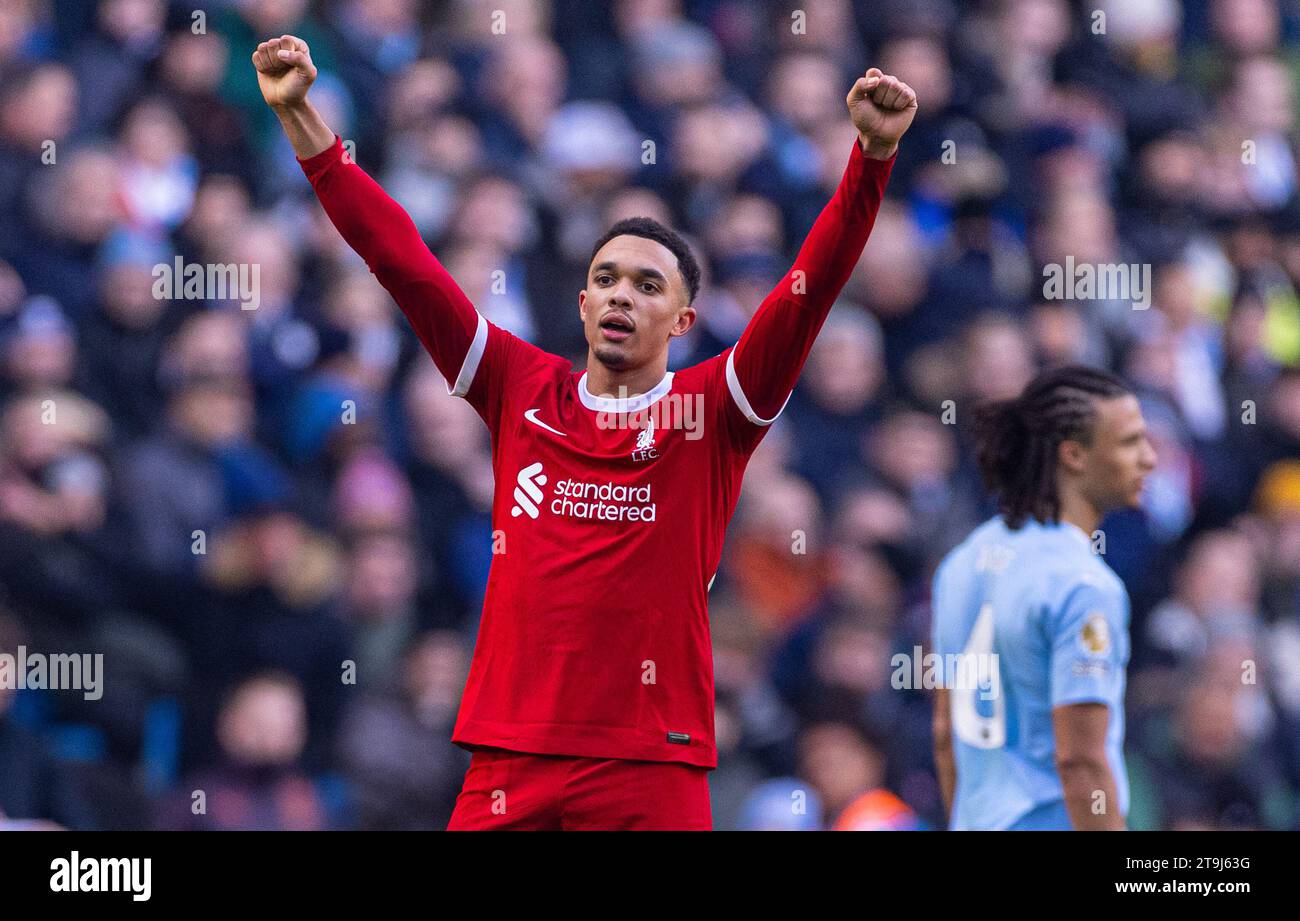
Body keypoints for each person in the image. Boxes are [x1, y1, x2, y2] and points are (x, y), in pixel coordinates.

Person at [252, 33, 916, 830]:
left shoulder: (715, 407)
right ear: (580, 303)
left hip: (649, 757)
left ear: (685, 319)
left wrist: (870, 159)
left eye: (646, 284)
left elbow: (809, 292)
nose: (619, 296)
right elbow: (404, 261)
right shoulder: (519, 385)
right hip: (513, 748)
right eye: (604, 278)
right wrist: (302, 119)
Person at [930, 366, 1157, 830]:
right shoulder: (1083, 585)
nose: (1149, 459)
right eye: (1131, 442)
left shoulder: (962, 562)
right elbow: (1080, 762)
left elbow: (944, 734)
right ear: (1074, 455)